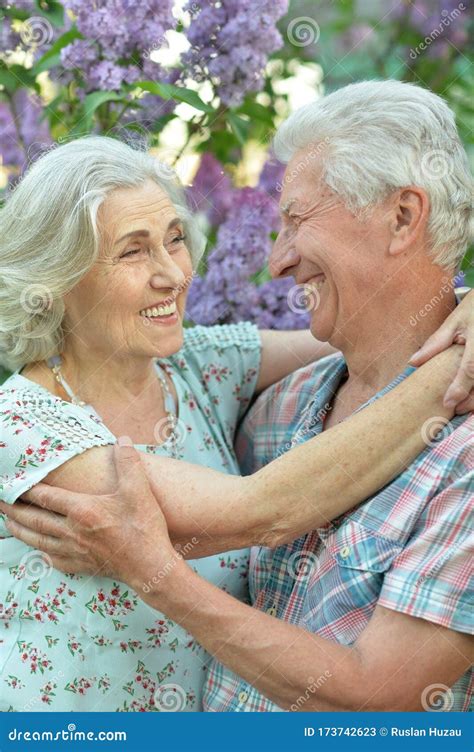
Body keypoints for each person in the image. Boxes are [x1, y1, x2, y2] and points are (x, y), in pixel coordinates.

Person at [2, 80, 473, 712]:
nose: (174, 272)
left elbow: (382, 699)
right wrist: (447, 377)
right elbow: (259, 508)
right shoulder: (24, 423)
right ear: (57, 279)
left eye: (175, 238)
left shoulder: (207, 371)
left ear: (403, 217)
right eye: (132, 251)